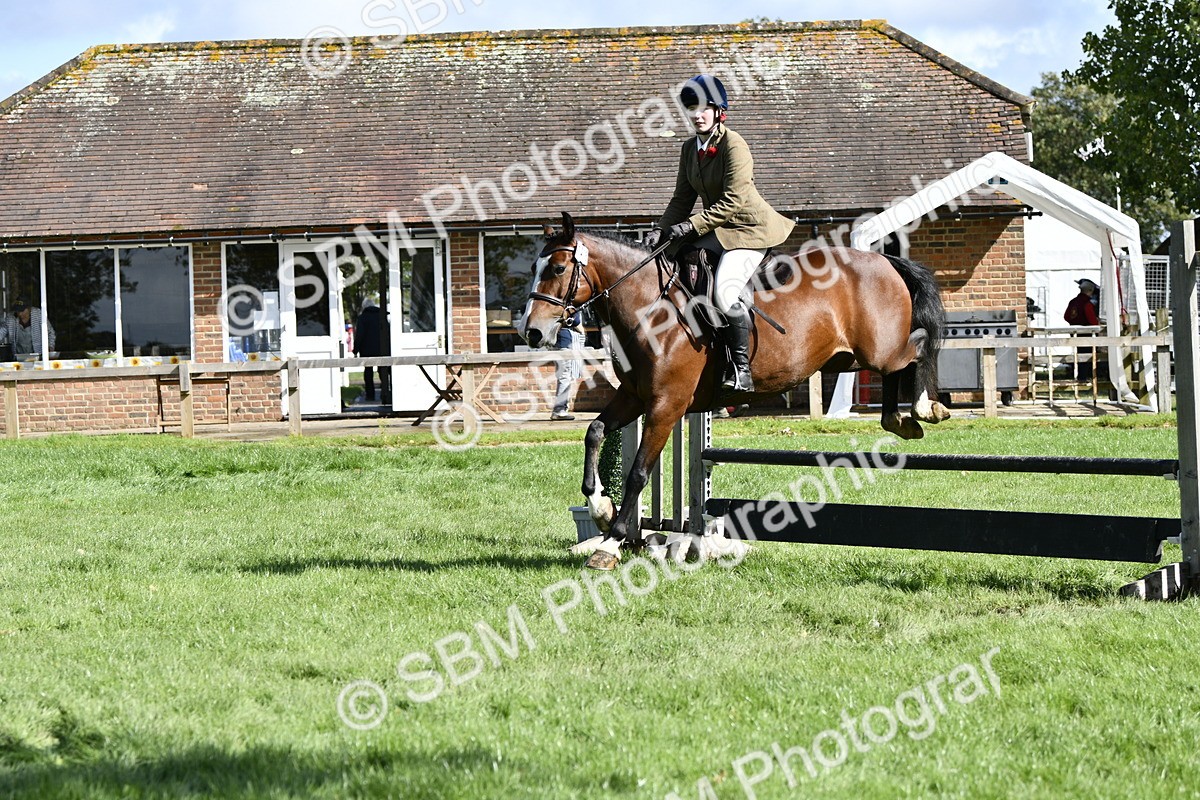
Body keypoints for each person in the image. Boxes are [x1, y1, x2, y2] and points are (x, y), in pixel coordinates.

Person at [644, 74, 795, 393]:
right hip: (720, 228)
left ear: (718, 111)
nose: (697, 114)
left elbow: (733, 201)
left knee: (726, 291)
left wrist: (690, 226)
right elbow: (682, 200)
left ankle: (741, 370)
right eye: (691, 109)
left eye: (703, 108)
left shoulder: (734, 144)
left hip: (750, 229)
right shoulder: (689, 149)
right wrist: (659, 234)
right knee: (670, 257)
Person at [551, 310, 585, 420]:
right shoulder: (568, 308)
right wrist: (582, 332)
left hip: (561, 342)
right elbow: (575, 321)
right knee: (565, 376)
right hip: (564, 343)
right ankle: (559, 410)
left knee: (566, 376)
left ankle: (561, 408)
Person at [353, 297, 387, 403]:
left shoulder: (362, 318)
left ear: (364, 307)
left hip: (366, 350)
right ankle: (385, 393)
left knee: (368, 372)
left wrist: (356, 349)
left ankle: (370, 395)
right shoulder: (382, 316)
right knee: (383, 371)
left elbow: (360, 335)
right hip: (382, 348)